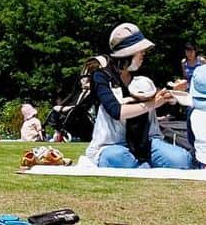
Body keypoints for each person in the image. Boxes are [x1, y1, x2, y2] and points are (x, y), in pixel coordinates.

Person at [79, 23, 193, 169]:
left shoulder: (142, 72)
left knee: (182, 160)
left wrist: (171, 93)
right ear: (129, 53)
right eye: (141, 51)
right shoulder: (101, 77)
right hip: (112, 144)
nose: (144, 55)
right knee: (118, 158)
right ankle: (143, 166)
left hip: (146, 141)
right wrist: (152, 104)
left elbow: (155, 95)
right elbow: (116, 111)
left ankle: (142, 165)